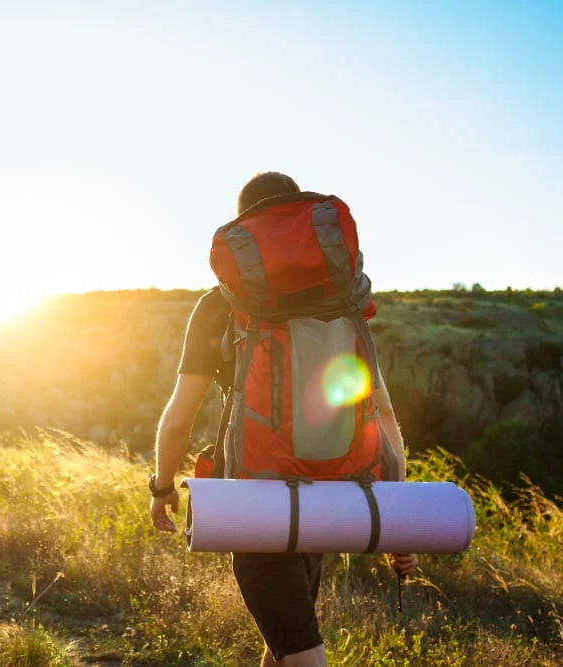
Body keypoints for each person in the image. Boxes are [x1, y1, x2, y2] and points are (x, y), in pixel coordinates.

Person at [148, 172, 418, 666]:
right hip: (326, 495)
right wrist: (395, 518)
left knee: (295, 650)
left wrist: (162, 486)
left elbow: (179, 417)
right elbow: (383, 416)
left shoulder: (222, 304)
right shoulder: (341, 304)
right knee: (288, 646)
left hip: (255, 504)